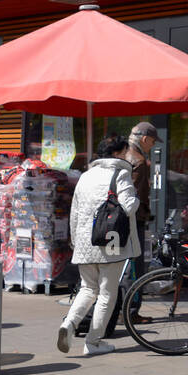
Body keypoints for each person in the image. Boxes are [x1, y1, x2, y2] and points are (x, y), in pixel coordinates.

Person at [57, 134, 140, 357]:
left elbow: (74, 213)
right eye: (124, 151)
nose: (127, 155)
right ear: (116, 154)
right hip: (110, 243)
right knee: (106, 294)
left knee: (87, 288)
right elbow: (130, 206)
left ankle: (69, 324)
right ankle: (93, 342)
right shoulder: (121, 173)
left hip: (85, 244)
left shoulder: (86, 175)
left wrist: (75, 241)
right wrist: (136, 193)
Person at [122, 121, 158, 324]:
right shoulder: (139, 161)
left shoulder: (120, 155)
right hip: (133, 220)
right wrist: (144, 213)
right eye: (152, 142)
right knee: (134, 266)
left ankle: (121, 309)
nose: (152, 146)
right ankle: (131, 311)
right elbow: (136, 195)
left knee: (121, 265)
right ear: (145, 139)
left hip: (117, 221)